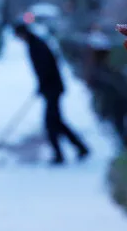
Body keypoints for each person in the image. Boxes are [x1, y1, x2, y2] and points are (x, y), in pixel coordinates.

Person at [13, 21, 90, 164]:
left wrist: (42, 85)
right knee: (56, 121)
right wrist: (41, 86)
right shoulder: (34, 43)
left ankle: (60, 154)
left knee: (51, 123)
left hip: (52, 88)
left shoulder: (36, 45)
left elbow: (46, 67)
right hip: (51, 87)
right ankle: (79, 148)